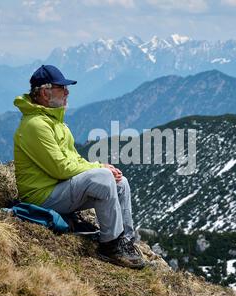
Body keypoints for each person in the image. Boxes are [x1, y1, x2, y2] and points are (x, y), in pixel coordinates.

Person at [13, 65, 145, 269]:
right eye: (62, 88)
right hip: (42, 196)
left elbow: (72, 159)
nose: (67, 92)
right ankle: (110, 247)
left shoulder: (56, 123)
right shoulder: (35, 125)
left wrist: (100, 166)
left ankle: (125, 241)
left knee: (120, 182)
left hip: (58, 188)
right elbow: (60, 168)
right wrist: (99, 170)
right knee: (102, 178)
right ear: (45, 92)